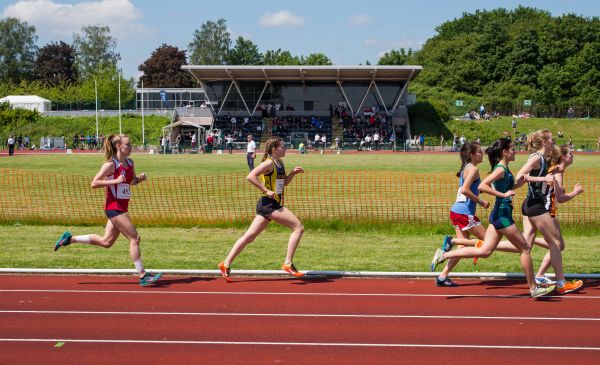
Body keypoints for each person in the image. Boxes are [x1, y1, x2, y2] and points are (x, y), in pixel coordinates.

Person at [431, 138, 554, 298]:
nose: (515, 151)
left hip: (499, 213)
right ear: (505, 152)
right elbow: (483, 186)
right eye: (512, 148)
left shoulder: (505, 169)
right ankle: (533, 288)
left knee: (485, 250)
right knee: (524, 249)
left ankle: (444, 254)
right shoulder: (501, 169)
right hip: (502, 215)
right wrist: (502, 195)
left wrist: (518, 185)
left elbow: (508, 187)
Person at [53, 134, 162, 287]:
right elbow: (94, 183)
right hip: (114, 208)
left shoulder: (130, 162)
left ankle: (69, 239)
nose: (131, 147)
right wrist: (113, 181)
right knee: (134, 238)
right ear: (119, 146)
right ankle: (142, 275)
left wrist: (139, 179)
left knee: (106, 242)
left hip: (122, 207)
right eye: (128, 145)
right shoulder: (110, 165)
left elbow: (131, 181)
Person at [218, 137, 305, 282]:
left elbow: (283, 184)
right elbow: (250, 176)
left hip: (270, 204)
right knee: (298, 227)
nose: (285, 148)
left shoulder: (280, 163)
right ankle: (288, 263)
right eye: (282, 146)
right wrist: (265, 190)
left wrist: (293, 174)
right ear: (274, 149)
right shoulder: (268, 163)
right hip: (269, 204)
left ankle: (225, 264)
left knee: (249, 237)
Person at [516, 129, 583, 294]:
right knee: (556, 243)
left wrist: (555, 172)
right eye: (551, 139)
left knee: (525, 245)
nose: (554, 141)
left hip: (531, 204)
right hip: (536, 205)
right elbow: (521, 175)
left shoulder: (543, 159)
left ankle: (485, 245)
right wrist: (544, 179)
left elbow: (546, 171)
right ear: (545, 142)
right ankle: (561, 283)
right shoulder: (536, 157)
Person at [534, 145, 584, 285]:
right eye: (571, 153)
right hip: (547, 210)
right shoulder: (557, 173)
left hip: (549, 209)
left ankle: (540, 274)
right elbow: (560, 198)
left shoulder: (556, 170)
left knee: (558, 245)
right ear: (564, 157)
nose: (573, 155)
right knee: (556, 244)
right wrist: (576, 192)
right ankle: (542, 275)